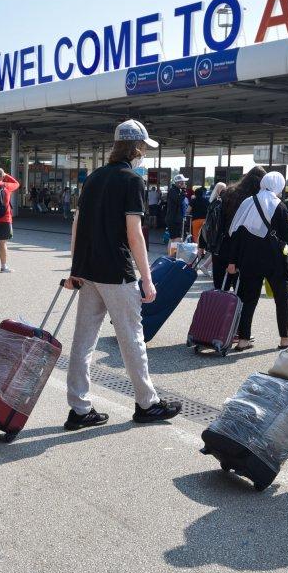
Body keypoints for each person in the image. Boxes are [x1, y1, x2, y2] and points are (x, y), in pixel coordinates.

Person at [62, 119, 182, 430]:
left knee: (83, 341)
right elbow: (135, 234)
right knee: (132, 339)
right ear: (138, 148)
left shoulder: (93, 179)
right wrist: (148, 277)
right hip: (117, 272)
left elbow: (77, 226)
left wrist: (75, 268)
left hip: (87, 271)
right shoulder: (133, 181)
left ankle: (79, 408)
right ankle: (147, 403)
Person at [224, 171, 288, 351]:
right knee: (281, 299)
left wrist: (232, 261)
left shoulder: (248, 203)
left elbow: (236, 235)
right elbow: (287, 235)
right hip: (275, 260)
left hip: (249, 259)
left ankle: (243, 340)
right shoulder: (279, 206)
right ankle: (284, 338)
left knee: (249, 299)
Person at [165, 173, 188, 242]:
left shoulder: (176, 191)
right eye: (183, 182)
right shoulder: (173, 191)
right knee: (176, 238)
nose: (184, 183)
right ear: (179, 183)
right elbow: (179, 201)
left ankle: (172, 252)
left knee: (173, 238)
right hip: (174, 219)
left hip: (175, 218)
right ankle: (173, 252)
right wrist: (184, 190)